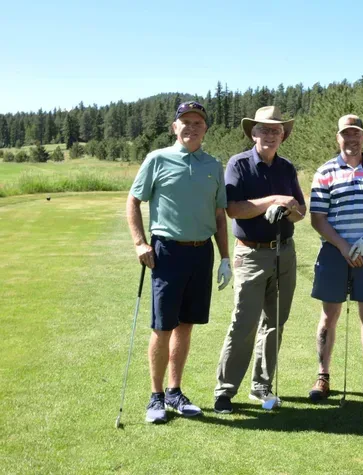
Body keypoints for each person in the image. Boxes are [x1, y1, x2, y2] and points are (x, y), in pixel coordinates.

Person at [126, 101, 231, 424]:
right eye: (185, 122)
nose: (191, 127)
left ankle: (175, 391)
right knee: (162, 327)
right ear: (175, 127)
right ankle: (156, 396)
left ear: (205, 129)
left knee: (186, 325)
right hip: (167, 252)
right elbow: (133, 200)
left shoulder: (213, 164)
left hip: (202, 253)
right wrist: (140, 242)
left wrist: (225, 257)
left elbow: (219, 214)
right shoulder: (157, 159)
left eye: (198, 123)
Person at [214, 106, 306, 414]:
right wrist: (272, 200)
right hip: (250, 252)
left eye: (276, 130)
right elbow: (234, 209)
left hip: (284, 251)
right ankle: (225, 390)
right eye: (264, 130)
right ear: (253, 133)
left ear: (283, 135)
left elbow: (300, 212)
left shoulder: (287, 168)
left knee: (275, 322)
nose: (270, 135)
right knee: (244, 322)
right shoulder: (238, 164)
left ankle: (261, 386)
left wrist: (288, 207)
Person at [308, 114, 363, 401]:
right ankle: (323, 376)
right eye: (346, 134)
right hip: (334, 252)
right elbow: (318, 219)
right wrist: (344, 247)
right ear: (338, 138)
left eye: (356, 133)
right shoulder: (325, 172)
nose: (351, 139)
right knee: (329, 315)